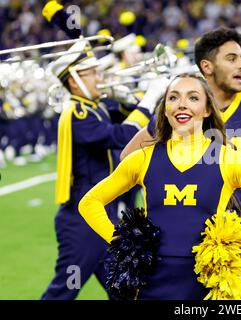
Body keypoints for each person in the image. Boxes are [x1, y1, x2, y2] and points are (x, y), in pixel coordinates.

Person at [119, 27, 241, 299]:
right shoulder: (182, 110)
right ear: (207, 66)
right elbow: (128, 157)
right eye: (232, 58)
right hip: (190, 235)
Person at [78, 73, 241, 300]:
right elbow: (90, 202)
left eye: (193, 98)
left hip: (208, 284)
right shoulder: (142, 159)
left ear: (207, 110)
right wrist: (123, 243)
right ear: (165, 109)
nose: (182, 104)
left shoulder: (229, 160)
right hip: (151, 284)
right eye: (173, 98)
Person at [41, 39, 154, 300]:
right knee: (65, 289)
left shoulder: (95, 108)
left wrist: (129, 98)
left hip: (101, 214)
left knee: (126, 291)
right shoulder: (78, 114)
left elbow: (123, 114)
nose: (98, 77)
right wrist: (148, 101)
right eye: (90, 73)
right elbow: (121, 135)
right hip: (82, 220)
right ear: (73, 81)